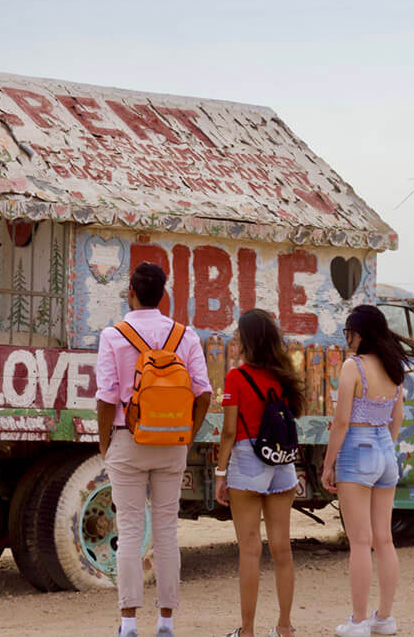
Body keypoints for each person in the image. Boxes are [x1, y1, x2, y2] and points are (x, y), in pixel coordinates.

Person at [96, 262, 213, 637]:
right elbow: (204, 392)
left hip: (128, 439)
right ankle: (166, 622)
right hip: (172, 443)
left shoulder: (114, 335)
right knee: (166, 531)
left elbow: (106, 396)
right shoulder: (185, 335)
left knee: (130, 531)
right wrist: (188, 434)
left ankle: (128, 623)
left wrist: (104, 442)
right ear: (163, 294)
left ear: (131, 291)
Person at [321, 305, 413, 637]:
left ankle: (358, 621)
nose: (348, 339)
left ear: (361, 334)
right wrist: (383, 449)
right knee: (383, 540)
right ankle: (384, 618)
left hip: (357, 450)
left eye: (349, 333)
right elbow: (396, 419)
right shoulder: (394, 368)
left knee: (360, 542)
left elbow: (342, 422)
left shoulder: (353, 367)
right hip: (386, 451)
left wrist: (328, 463)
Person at [215, 309, 303, 637]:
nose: (234, 340)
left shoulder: (236, 378)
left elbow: (228, 431)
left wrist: (220, 473)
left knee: (250, 550)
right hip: (282, 462)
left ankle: (248, 631)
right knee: (282, 548)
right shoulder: (284, 377)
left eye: (238, 335)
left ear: (248, 340)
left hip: (247, 460)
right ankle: (284, 627)